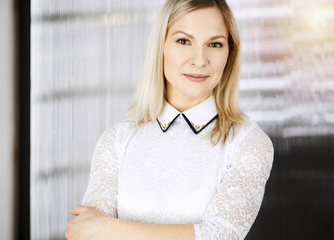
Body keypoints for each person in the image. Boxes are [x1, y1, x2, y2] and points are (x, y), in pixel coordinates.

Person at [65, 0, 274, 239]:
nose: (199, 60)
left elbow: (221, 235)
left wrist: (107, 228)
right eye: (184, 41)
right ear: (160, 45)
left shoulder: (249, 143)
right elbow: (87, 234)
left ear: (230, 52)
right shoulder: (117, 140)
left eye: (215, 44)